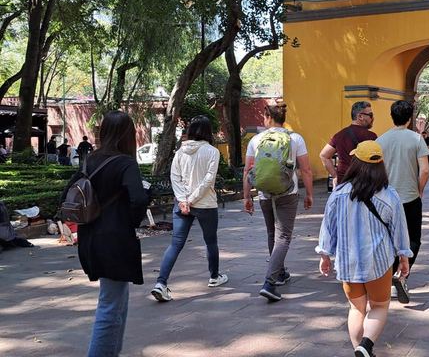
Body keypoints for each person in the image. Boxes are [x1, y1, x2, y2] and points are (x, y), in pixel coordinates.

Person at [60, 110, 148, 356]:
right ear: (127, 134)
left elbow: (67, 194)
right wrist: (129, 222)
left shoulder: (90, 160)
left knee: (118, 300)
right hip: (115, 241)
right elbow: (139, 200)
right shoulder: (126, 163)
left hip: (90, 238)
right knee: (110, 305)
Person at [316, 140, 412, 357]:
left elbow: (328, 227)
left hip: (347, 262)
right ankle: (366, 345)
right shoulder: (389, 195)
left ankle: (359, 349)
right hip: (378, 262)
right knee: (379, 307)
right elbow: (399, 230)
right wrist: (403, 256)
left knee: (356, 309)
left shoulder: (339, 193)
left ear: (356, 162)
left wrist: (325, 255)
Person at [151, 116, 228, 302]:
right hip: (205, 204)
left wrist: (183, 200)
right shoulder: (212, 152)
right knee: (210, 241)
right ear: (208, 131)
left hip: (182, 205)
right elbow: (209, 179)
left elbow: (174, 177)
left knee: (176, 243)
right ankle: (214, 276)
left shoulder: (180, 151)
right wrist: (192, 199)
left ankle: (161, 283)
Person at [244, 103, 313, 302]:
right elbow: (306, 169)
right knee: (283, 236)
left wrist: (247, 197)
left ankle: (280, 273)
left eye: (264, 118)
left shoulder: (256, 140)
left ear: (269, 118)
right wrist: (309, 194)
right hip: (288, 192)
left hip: (264, 192)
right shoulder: (295, 138)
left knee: (272, 233)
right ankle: (270, 282)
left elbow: (247, 170)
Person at [377, 100, 429, 304]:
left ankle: (390, 276)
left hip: (385, 197)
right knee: (413, 238)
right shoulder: (417, 139)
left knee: (388, 239)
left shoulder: (381, 140)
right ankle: (402, 274)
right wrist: (420, 190)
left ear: (392, 116)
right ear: (410, 118)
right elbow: (424, 170)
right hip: (409, 197)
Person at [319, 101, 377, 189]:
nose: (373, 118)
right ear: (360, 116)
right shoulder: (370, 136)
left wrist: (335, 176)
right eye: (371, 115)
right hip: (362, 183)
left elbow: (323, 155)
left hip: (343, 183)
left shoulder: (339, 135)